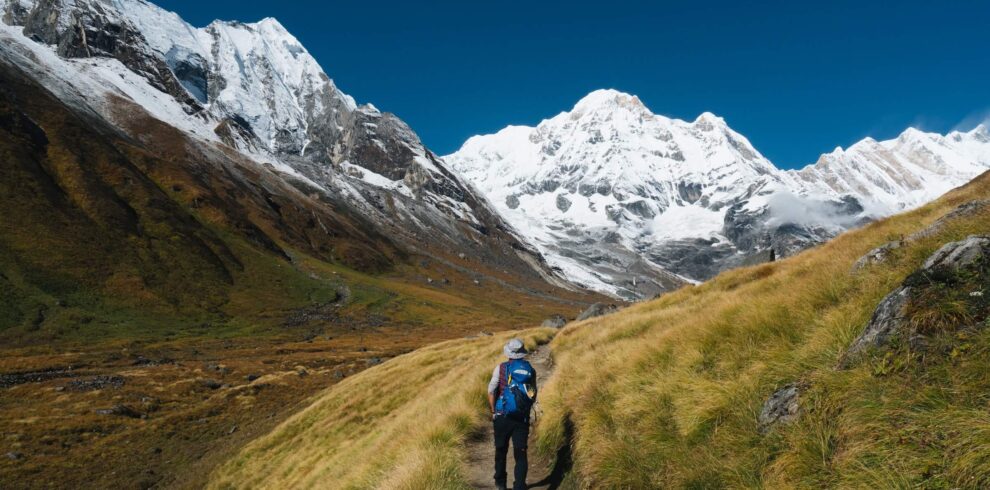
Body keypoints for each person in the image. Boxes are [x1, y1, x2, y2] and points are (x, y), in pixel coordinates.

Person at [487, 338, 538, 490]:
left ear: (508, 353)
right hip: (521, 418)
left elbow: (491, 390)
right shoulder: (530, 370)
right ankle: (520, 486)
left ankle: (501, 483)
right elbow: (533, 393)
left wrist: (493, 410)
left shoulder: (501, 368)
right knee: (521, 453)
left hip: (502, 416)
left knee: (501, 449)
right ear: (522, 353)